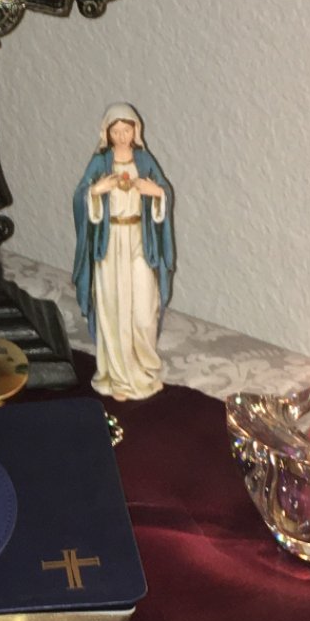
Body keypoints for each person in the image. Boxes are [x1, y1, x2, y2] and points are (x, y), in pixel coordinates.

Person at [72, 103, 175, 401]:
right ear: (107, 132)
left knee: (144, 308)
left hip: (140, 240)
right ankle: (117, 375)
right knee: (113, 307)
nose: (121, 136)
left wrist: (154, 192)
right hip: (110, 242)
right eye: (115, 131)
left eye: (126, 130)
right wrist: (96, 191)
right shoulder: (100, 162)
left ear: (135, 131)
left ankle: (143, 368)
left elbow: (164, 190)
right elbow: (80, 196)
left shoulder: (144, 160)